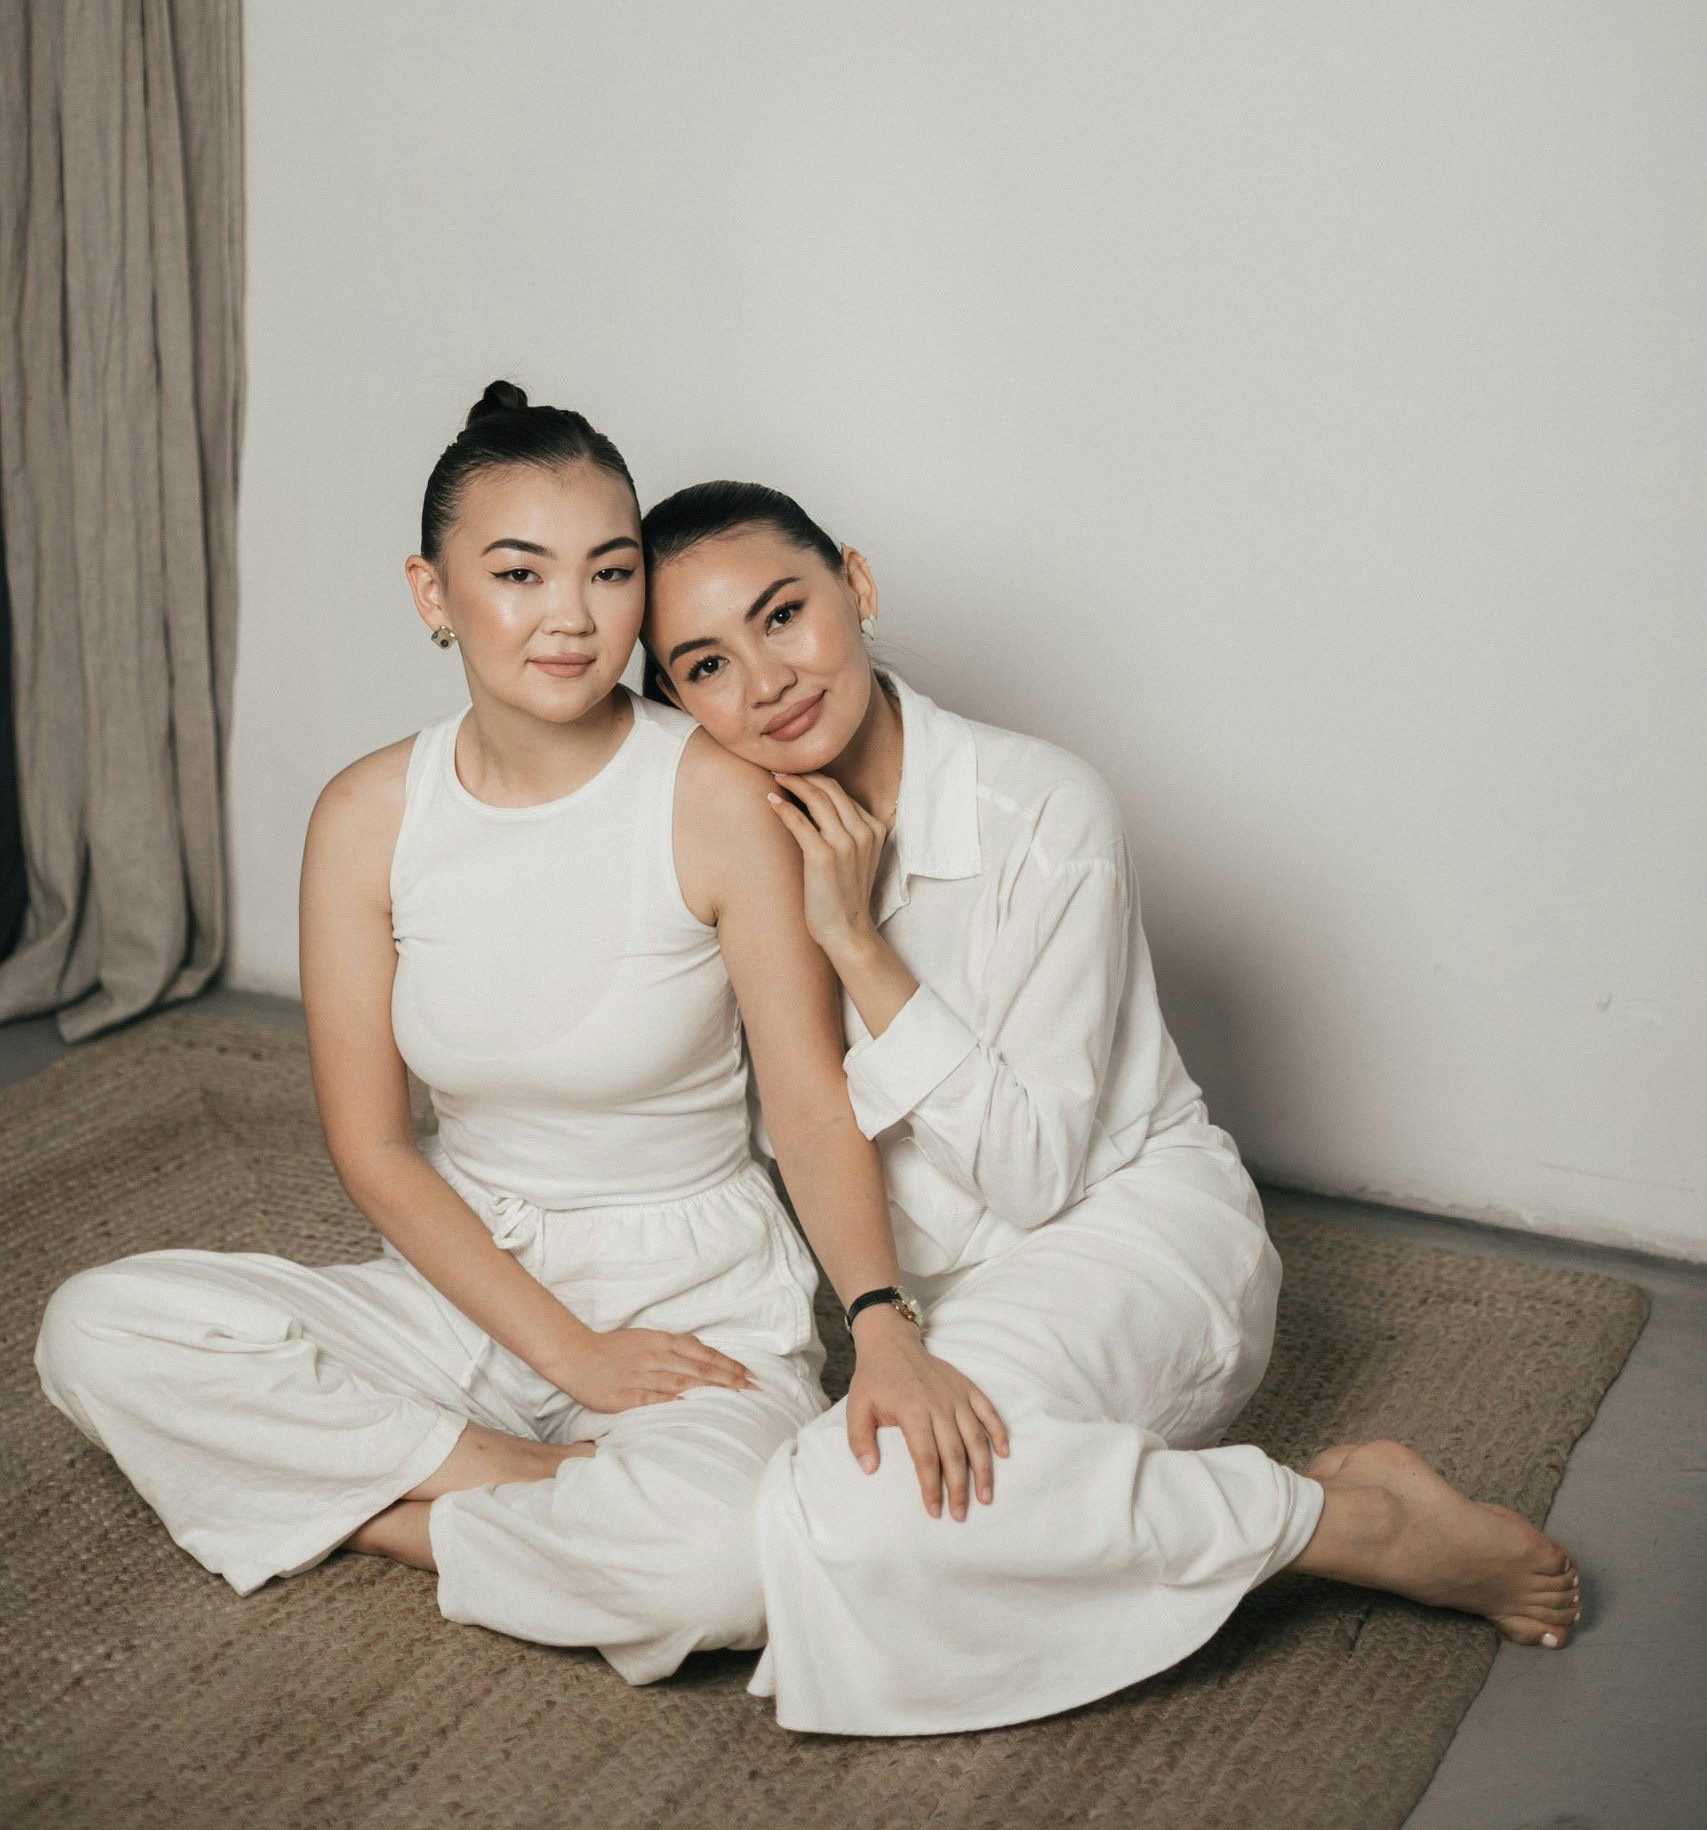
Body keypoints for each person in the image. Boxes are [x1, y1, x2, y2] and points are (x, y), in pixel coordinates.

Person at [34, 385, 1006, 1688]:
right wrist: (566, 1364)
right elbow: (375, 1150)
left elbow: (810, 1099)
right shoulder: (368, 816)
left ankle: (379, 1506)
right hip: (460, 1282)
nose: (569, 618)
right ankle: (518, 1489)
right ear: (431, 594)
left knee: (729, 1567)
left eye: (609, 574)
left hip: (691, 1295)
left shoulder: (714, 797)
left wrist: (878, 1322)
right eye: (516, 573)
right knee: (93, 1329)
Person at [640, 480, 1585, 1735]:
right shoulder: (725, 851)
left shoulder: (1041, 806)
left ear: (856, 586)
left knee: (847, 1510)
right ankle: (1297, 1505)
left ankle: (1344, 1528)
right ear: (679, 706)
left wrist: (859, 945)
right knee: (802, 1524)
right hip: (926, 1307)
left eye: (784, 614)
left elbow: (1032, 1174)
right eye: (706, 663)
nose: (766, 680)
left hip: (1134, 1234)